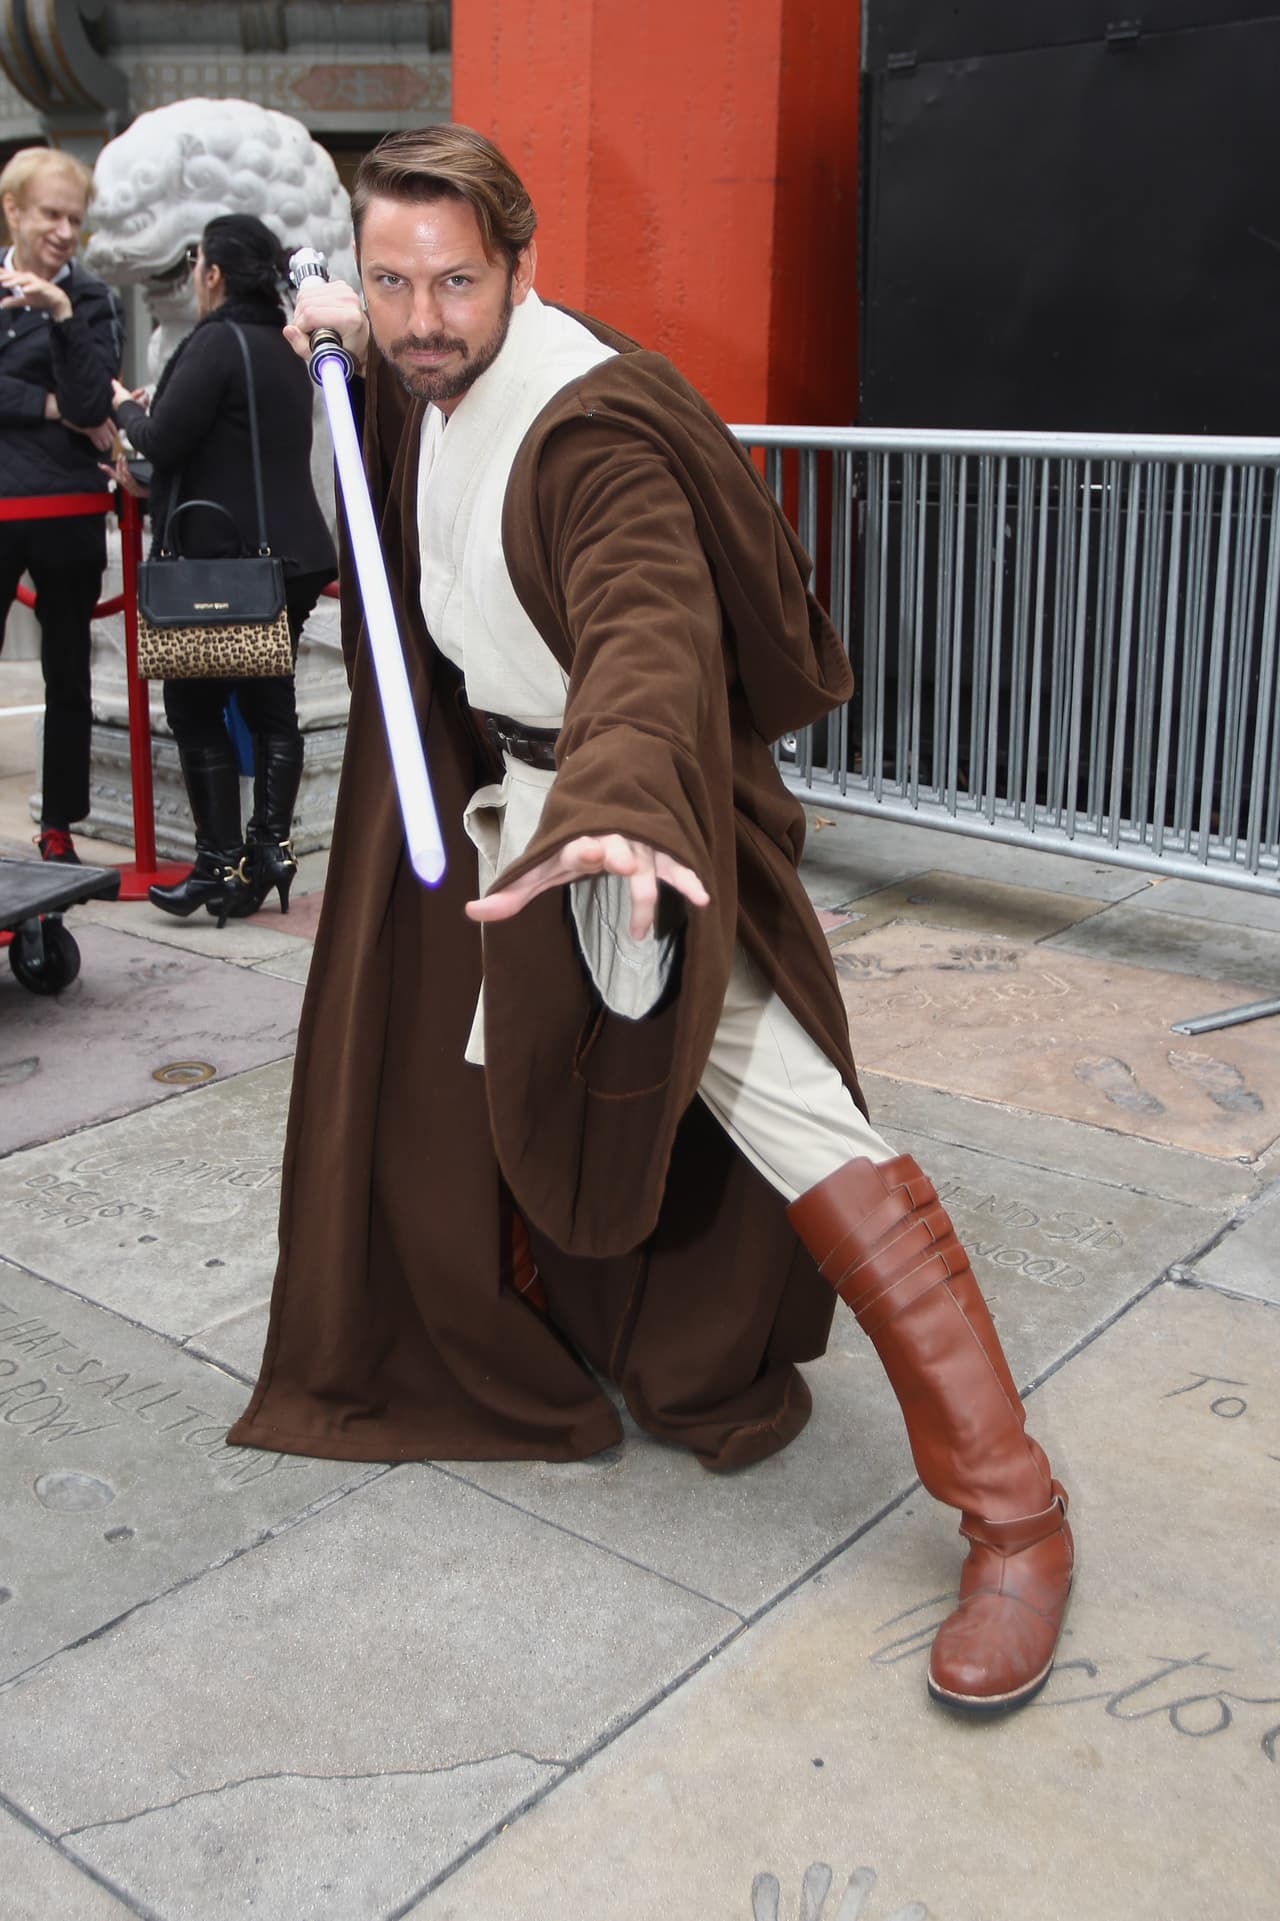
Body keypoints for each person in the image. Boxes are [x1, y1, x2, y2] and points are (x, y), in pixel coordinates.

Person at [228, 126, 1074, 1716]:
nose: (423, 317)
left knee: (793, 1115)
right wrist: (339, 331)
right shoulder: (428, 365)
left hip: (637, 826)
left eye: (456, 283)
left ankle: (1016, 1510)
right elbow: (388, 358)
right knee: (462, 1070)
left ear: (526, 269)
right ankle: (530, 1305)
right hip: (515, 818)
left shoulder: (591, 426)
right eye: (394, 281)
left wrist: (615, 799)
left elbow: (647, 618)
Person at [109, 214, 336, 923]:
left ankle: (214, 862)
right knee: (272, 705)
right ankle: (268, 849)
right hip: (292, 558)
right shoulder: (282, 341)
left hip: (227, 570)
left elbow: (160, 439)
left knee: (194, 706)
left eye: (200, 261)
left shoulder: (215, 341)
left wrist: (123, 405)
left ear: (213, 274)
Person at [0, 148, 120, 864]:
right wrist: (43, 403)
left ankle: (59, 827)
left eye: (75, 218)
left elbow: (89, 400)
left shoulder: (93, 298)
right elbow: (68, 407)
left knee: (67, 671)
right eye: (51, 214)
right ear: (14, 209)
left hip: (70, 507)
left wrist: (63, 313)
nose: (65, 230)